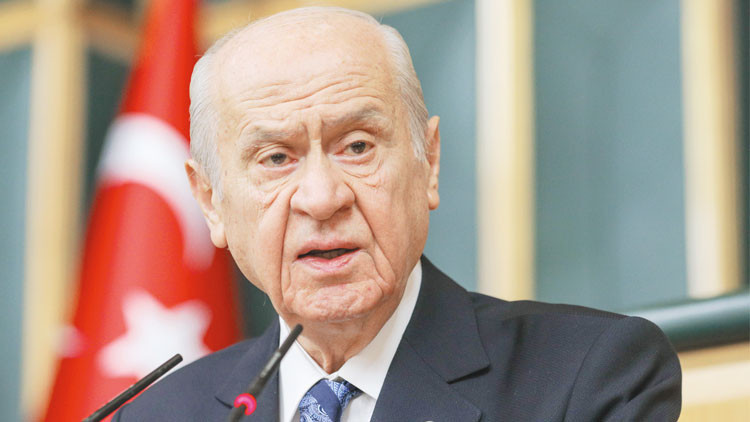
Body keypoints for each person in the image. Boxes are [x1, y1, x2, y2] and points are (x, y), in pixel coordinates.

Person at [114, 6, 681, 421]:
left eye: (358, 146)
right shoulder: (159, 415)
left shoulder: (589, 376)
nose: (322, 197)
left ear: (427, 163)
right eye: (276, 158)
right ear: (211, 201)